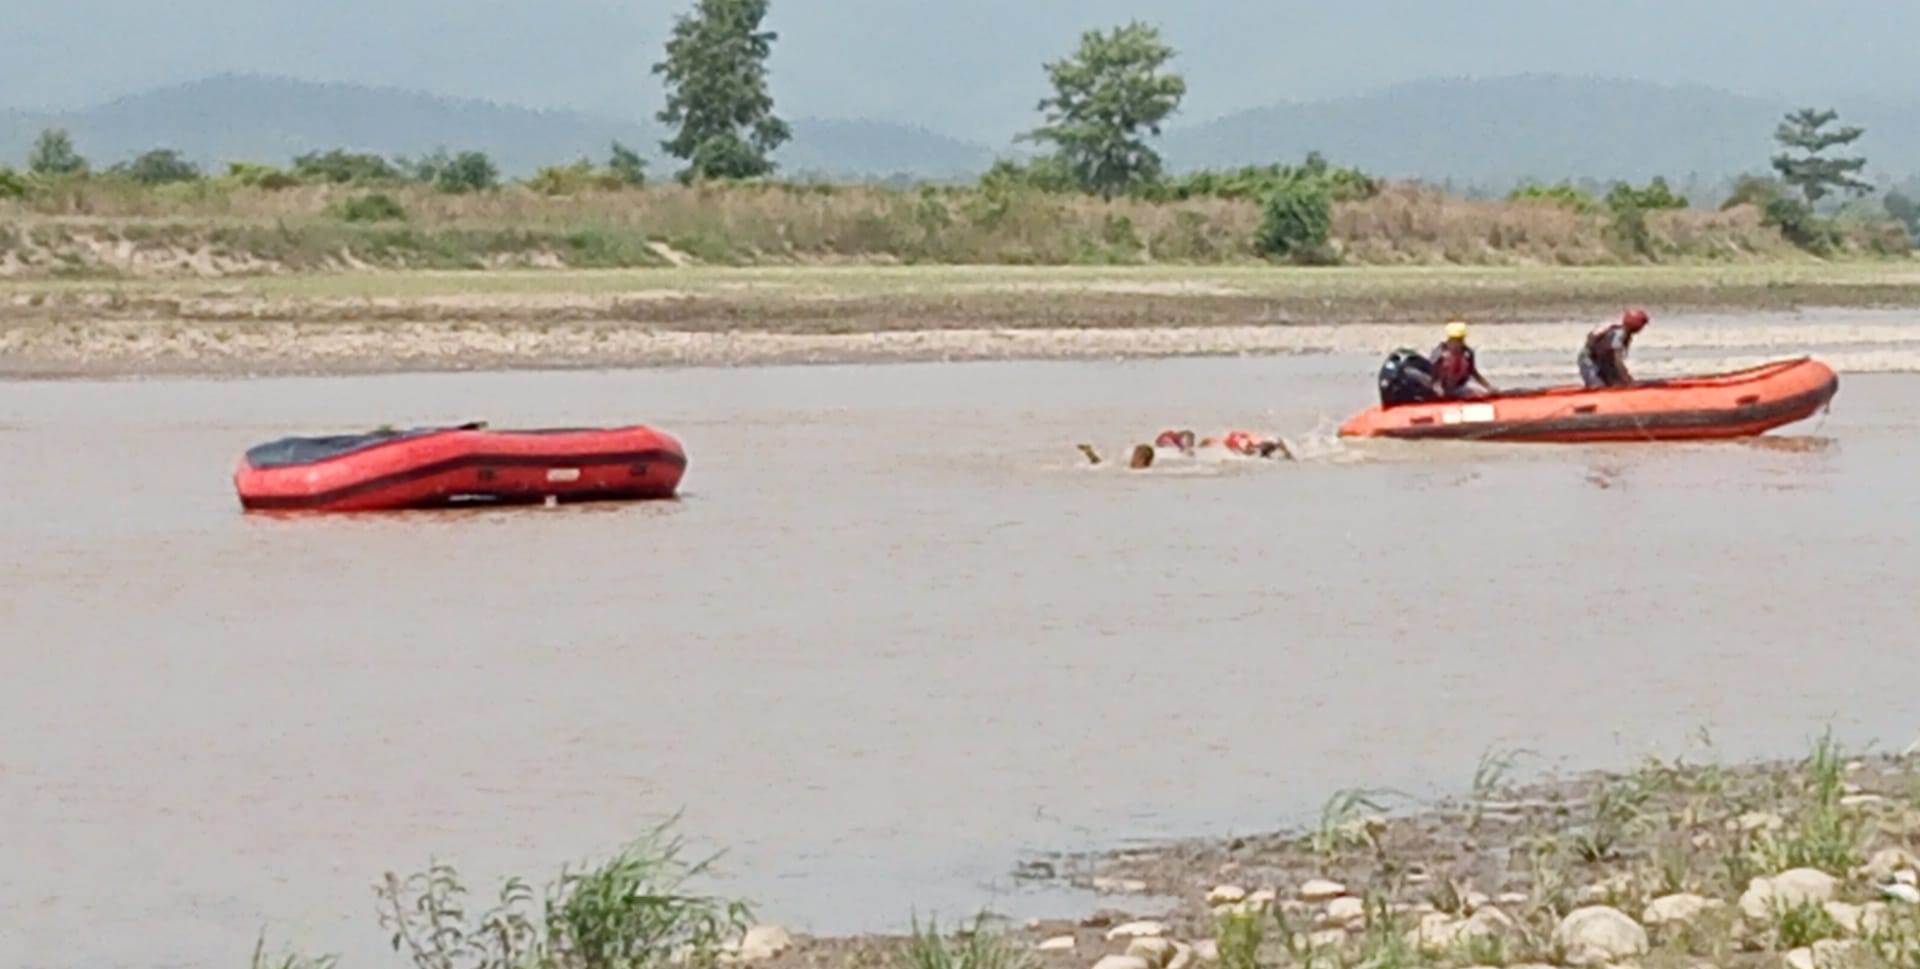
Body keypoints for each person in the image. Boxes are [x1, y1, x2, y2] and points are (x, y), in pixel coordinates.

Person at [1579, 308, 1650, 388]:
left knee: (1617, 384)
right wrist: (1627, 379)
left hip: (1604, 359)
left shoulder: (1624, 333)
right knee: (1597, 386)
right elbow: (1617, 360)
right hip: (1590, 359)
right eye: (1642, 325)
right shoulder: (1618, 334)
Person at [1430, 319, 1495, 399]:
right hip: (1440, 388)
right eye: (1454, 339)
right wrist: (1436, 387)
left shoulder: (1467, 353)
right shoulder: (1439, 353)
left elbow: (1473, 372)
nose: (1457, 343)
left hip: (1459, 388)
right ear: (1449, 339)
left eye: (1460, 339)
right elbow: (1432, 374)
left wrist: (1488, 386)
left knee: (1481, 394)